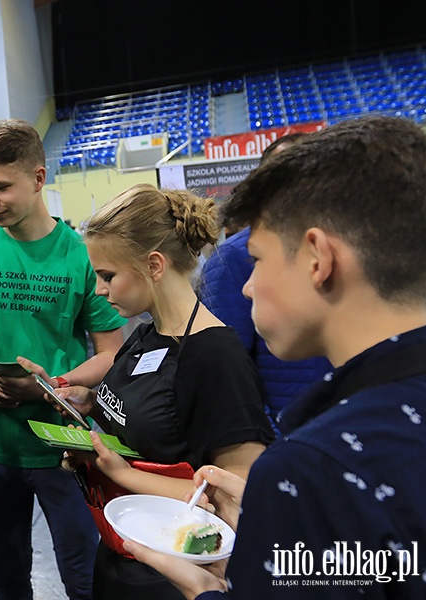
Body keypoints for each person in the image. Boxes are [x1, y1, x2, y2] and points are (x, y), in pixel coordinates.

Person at [126, 116, 426, 599]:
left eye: (259, 257)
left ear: (317, 258)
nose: (247, 285)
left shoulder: (312, 467)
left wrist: (208, 593)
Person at [34, 184, 274, 599]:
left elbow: (236, 490)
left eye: (108, 276)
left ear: (155, 265)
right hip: (122, 553)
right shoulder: (146, 335)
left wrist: (121, 472)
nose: (99, 290)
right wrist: (87, 404)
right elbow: (144, 420)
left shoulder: (216, 356)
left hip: (174, 575)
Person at [0, 118, 126, 600]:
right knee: (7, 577)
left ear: (38, 179)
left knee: (85, 580)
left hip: (63, 448)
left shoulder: (81, 257)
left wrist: (54, 384)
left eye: (1, 186)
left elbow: (111, 351)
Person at [199, 133, 331, 433]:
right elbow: (228, 369)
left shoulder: (348, 249)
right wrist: (270, 435)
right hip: (288, 436)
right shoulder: (232, 259)